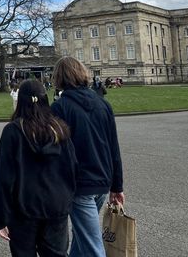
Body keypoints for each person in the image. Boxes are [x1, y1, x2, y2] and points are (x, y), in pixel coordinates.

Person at [50, 57, 124, 257]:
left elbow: (54, 153)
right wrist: (117, 186)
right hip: (102, 180)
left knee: (92, 247)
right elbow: (113, 147)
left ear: (59, 78)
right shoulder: (102, 104)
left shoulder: (60, 108)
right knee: (83, 237)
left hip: (79, 184)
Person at [0, 80, 77, 257]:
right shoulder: (59, 128)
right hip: (56, 205)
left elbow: (4, 178)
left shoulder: (13, 131)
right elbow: (72, 167)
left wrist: (0, 218)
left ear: (21, 102)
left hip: (24, 208)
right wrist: (67, 198)